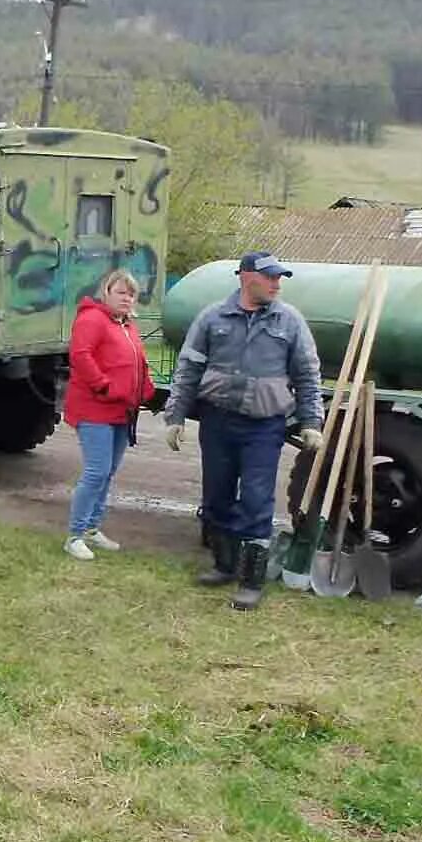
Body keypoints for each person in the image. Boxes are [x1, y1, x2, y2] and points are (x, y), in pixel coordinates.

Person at [163, 250, 324, 610]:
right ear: (247, 277)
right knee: (217, 496)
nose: (276, 284)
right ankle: (224, 565)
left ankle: (252, 581)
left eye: (279, 277)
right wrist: (175, 417)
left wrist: (312, 421)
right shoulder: (213, 317)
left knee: (256, 500)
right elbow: (188, 369)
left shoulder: (289, 321)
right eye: (270, 277)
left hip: (264, 428)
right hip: (218, 422)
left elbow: (307, 375)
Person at [62, 269, 155, 560]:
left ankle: (92, 527)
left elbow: (138, 361)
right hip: (94, 409)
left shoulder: (126, 325)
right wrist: (103, 386)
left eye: (131, 294)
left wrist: (146, 389)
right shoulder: (92, 319)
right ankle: (75, 535)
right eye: (121, 292)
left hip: (121, 410)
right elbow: (81, 356)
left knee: (108, 473)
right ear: (107, 293)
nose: (127, 298)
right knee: (97, 471)